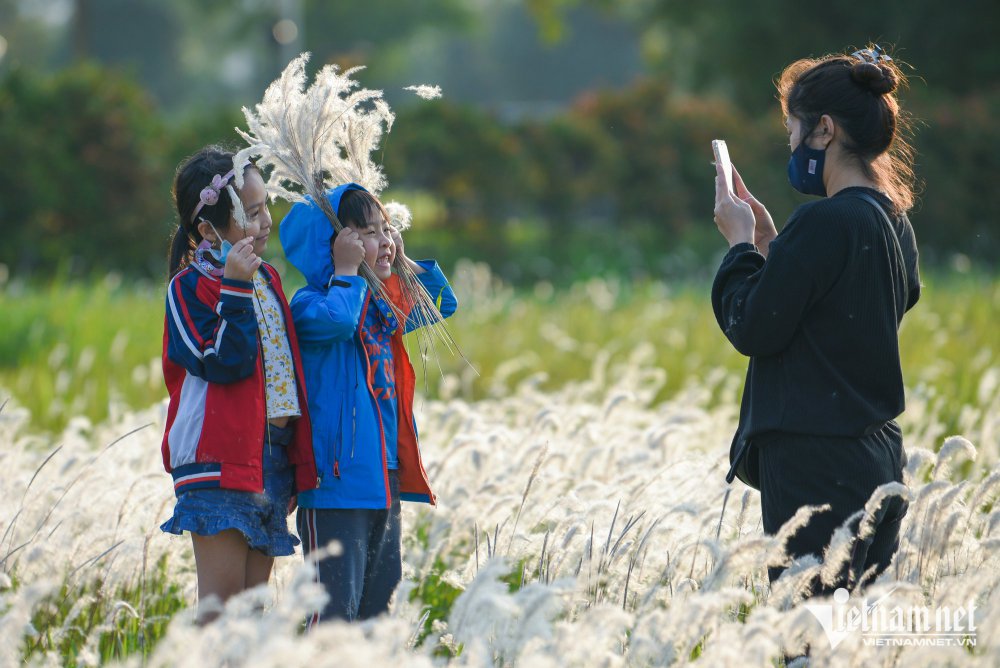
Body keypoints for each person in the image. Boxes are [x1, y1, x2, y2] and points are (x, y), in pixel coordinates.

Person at [710, 46, 920, 595]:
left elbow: (752, 325)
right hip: (878, 458)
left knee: (810, 632)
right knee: (854, 638)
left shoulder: (825, 221)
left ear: (823, 130)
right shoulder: (892, 220)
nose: (790, 144)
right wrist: (776, 249)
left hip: (814, 465)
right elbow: (845, 312)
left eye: (792, 130)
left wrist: (739, 248)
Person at [280, 183, 458, 624]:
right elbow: (339, 322)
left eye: (386, 229)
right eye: (367, 232)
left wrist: (403, 261)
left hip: (384, 482)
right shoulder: (310, 305)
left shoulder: (380, 307)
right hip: (334, 487)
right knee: (333, 618)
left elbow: (441, 304)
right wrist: (344, 271)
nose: (383, 240)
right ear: (335, 245)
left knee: (376, 616)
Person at [160, 145, 316, 622]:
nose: (265, 220)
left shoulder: (268, 277)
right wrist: (234, 287)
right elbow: (222, 361)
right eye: (251, 212)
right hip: (221, 460)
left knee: (252, 613)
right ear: (208, 229)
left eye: (265, 205)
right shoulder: (188, 288)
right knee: (221, 612)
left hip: (270, 458)